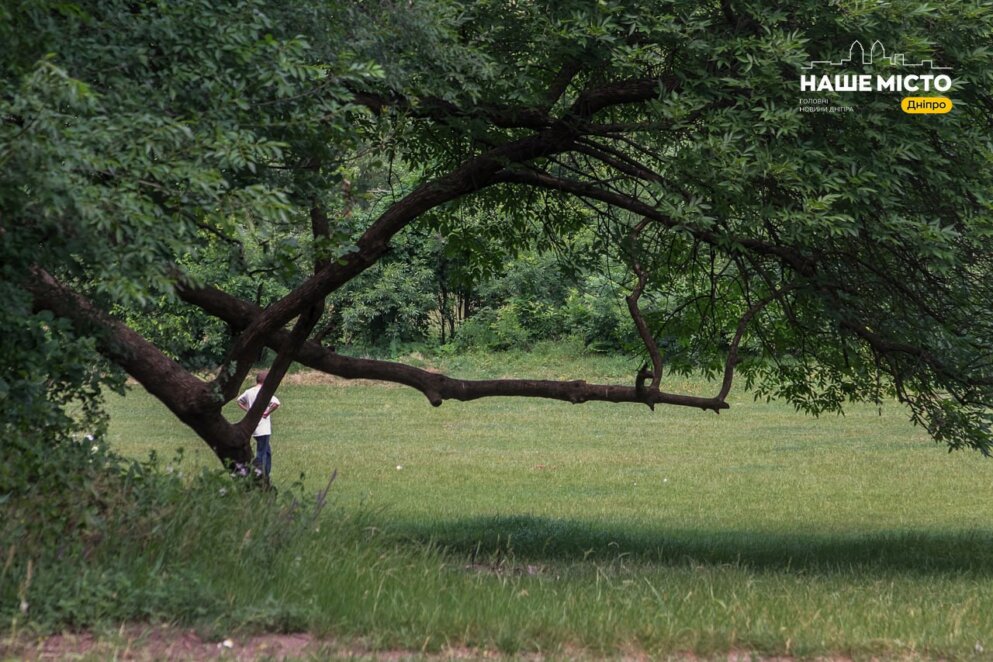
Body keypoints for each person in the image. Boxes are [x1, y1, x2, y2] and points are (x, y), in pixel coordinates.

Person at [237, 371, 281, 479]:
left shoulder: (249, 391)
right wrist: (267, 412)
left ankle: (266, 472)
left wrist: (249, 410)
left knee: (267, 450)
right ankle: (260, 474)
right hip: (263, 427)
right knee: (261, 451)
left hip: (253, 426)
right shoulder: (265, 392)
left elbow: (239, 401)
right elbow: (276, 403)